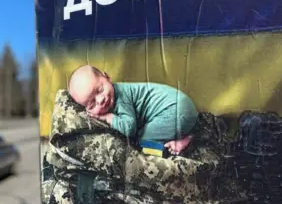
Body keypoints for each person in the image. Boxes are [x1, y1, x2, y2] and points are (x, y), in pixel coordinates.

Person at [67, 64, 198, 155]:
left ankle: (181, 144)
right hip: (181, 107)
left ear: (107, 77)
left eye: (100, 90)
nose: (100, 100)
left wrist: (108, 118)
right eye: (92, 104)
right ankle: (184, 135)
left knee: (143, 142)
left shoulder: (121, 98)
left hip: (176, 111)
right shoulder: (112, 96)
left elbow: (130, 128)